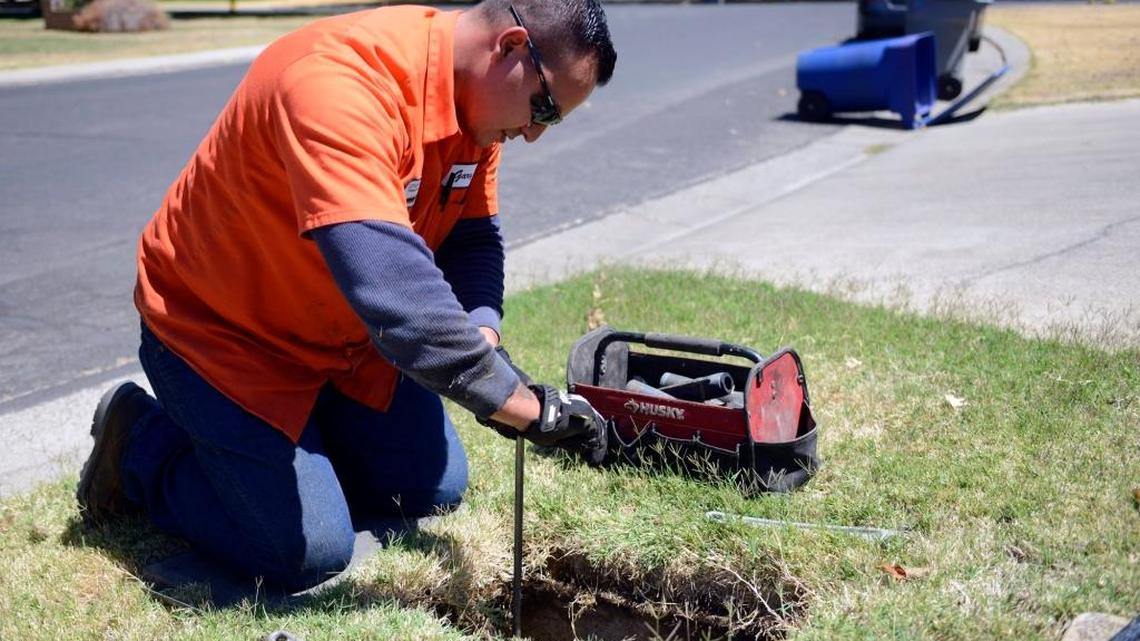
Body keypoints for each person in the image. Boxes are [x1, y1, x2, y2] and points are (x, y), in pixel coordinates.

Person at [75, 0, 616, 591]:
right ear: (510, 47)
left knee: (431, 490)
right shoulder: (337, 85)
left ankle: (289, 452)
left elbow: (471, 236)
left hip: (339, 336)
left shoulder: (473, 105)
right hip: (223, 334)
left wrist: (482, 335)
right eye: (544, 108)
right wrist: (521, 406)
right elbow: (394, 294)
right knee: (306, 552)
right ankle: (141, 442)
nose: (535, 133)